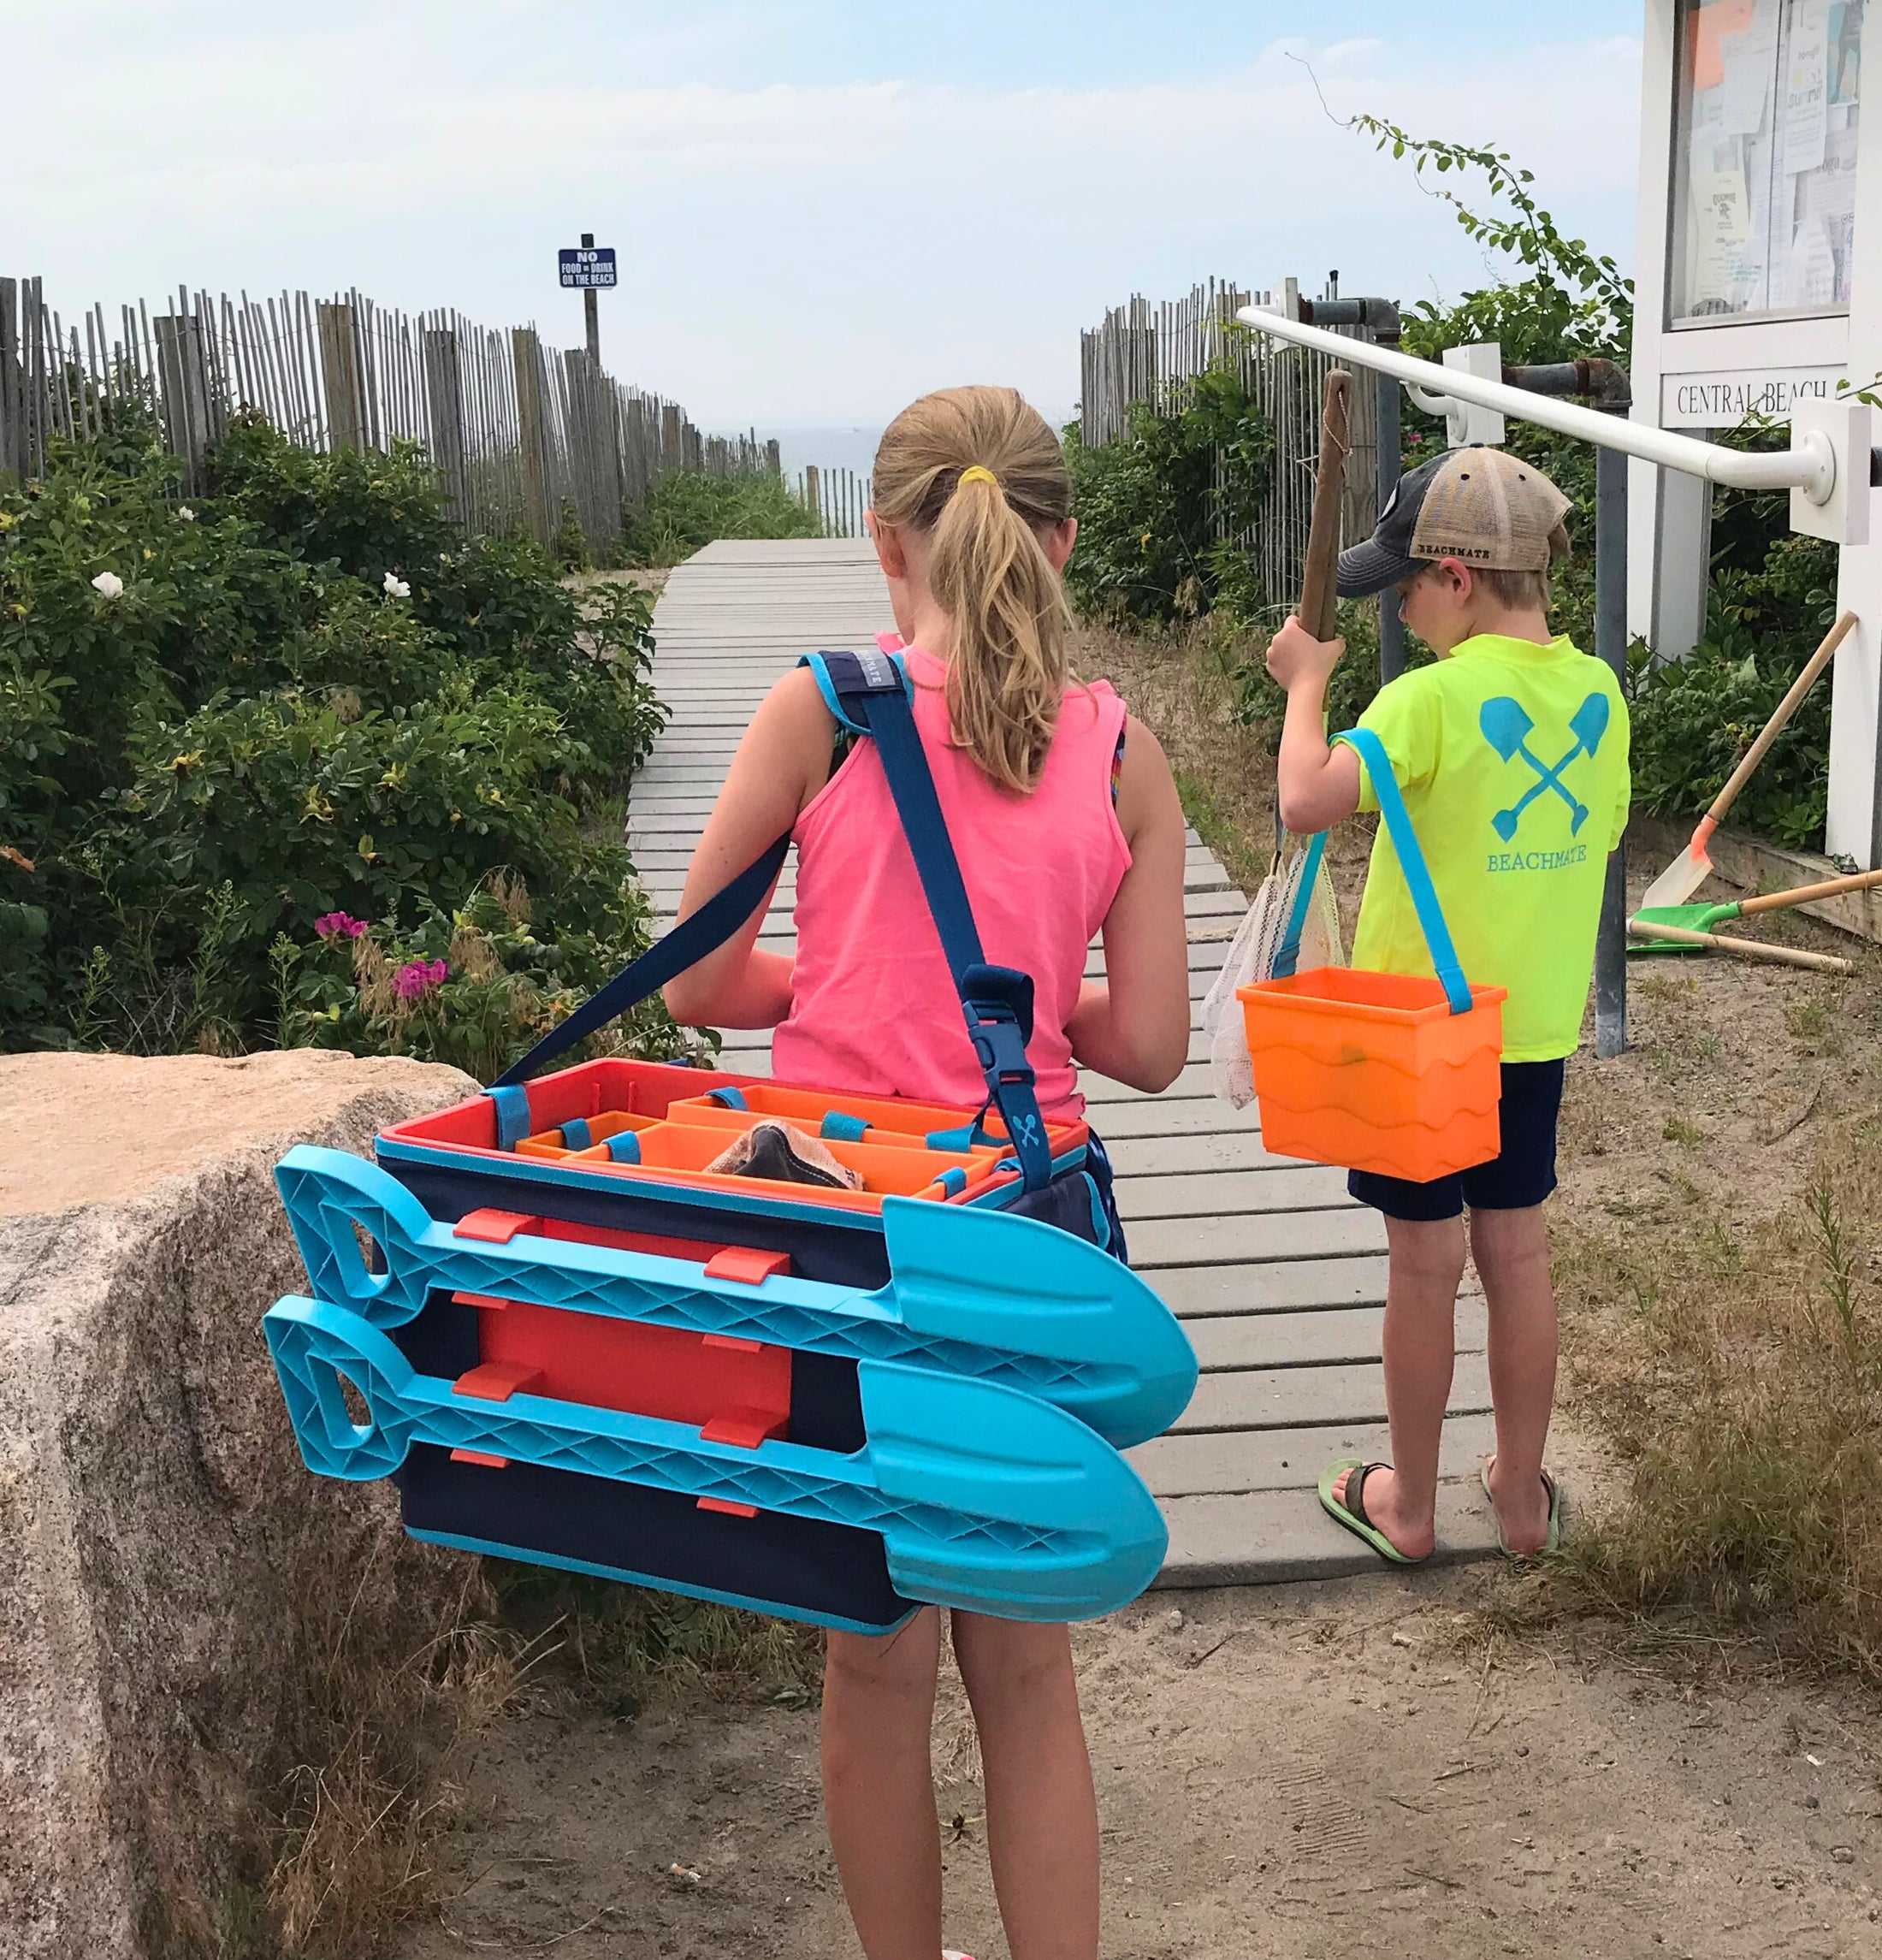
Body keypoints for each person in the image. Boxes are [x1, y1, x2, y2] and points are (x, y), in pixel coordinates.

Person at [663, 385, 1191, 1960]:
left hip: (850, 1226)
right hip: (1034, 1226)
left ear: (886, 546)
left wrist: (828, 1000)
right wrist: (1025, 1008)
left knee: (872, 1664)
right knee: (1026, 1670)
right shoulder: (1120, 749)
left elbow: (700, 983)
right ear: (1064, 540)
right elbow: (1153, 1046)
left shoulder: (821, 706)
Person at [1264, 446, 1630, 1564]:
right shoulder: (1600, 695)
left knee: (1423, 1266)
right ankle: (1521, 1502)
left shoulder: (1427, 698)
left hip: (1417, 1040)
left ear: (1461, 579)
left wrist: (1307, 686)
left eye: (1407, 586)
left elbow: (1301, 799)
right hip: (1526, 1034)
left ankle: (1410, 1509)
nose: (1403, 607)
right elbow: (1602, 834)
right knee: (1516, 1255)